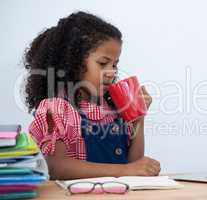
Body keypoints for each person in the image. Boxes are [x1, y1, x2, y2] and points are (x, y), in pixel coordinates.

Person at [24, 11, 160, 180]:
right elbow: (54, 166)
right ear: (73, 61)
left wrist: (139, 117)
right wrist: (125, 170)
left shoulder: (113, 108)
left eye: (115, 64)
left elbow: (135, 166)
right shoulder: (58, 108)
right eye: (103, 63)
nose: (111, 72)